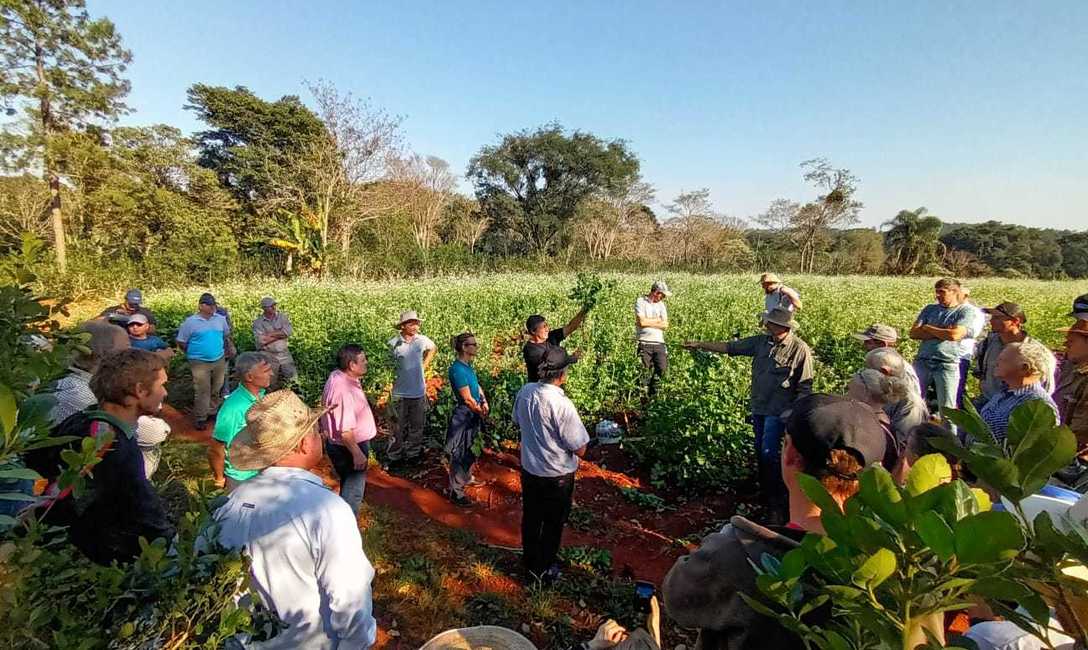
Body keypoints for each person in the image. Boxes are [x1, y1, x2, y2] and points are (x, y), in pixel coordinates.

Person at [662, 394, 887, 650]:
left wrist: (726, 538)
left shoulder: (737, 554)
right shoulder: (891, 567)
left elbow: (676, 597)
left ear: (790, 453)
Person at [216, 390, 377, 649]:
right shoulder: (325, 509)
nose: (321, 435)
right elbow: (350, 598)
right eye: (315, 431)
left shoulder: (229, 502)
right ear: (304, 443)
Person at [30, 349, 175, 564]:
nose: (165, 393)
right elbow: (146, 511)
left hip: (57, 539)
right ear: (140, 390)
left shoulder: (83, 419)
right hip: (99, 554)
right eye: (162, 385)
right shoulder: (115, 445)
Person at [683, 307, 814, 521]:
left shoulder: (800, 349)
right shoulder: (761, 342)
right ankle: (765, 491)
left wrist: (793, 412)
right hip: (759, 407)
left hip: (779, 411)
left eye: (770, 322)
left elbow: (805, 385)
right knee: (760, 451)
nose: (766, 325)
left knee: (769, 453)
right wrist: (700, 344)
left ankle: (777, 503)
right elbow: (730, 347)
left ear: (782, 326)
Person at [513, 346, 590, 583]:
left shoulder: (526, 391)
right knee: (553, 523)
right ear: (562, 374)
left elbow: (517, 420)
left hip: (530, 470)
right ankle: (543, 570)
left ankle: (529, 561)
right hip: (556, 476)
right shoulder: (562, 404)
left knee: (532, 517)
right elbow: (580, 448)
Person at [320, 344, 378, 516]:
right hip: (349, 446)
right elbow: (345, 430)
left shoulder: (337, 376)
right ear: (352, 365)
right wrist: (357, 453)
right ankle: (347, 526)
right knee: (353, 492)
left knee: (348, 484)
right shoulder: (343, 389)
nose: (366, 363)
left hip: (340, 445)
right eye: (363, 360)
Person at [209, 352, 274, 492]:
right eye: (266, 371)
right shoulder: (233, 408)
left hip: (262, 469)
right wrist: (219, 478)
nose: (272, 374)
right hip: (242, 477)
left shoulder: (262, 395)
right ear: (249, 377)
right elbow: (216, 448)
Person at [909, 278, 974, 418]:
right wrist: (943, 331)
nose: (937, 295)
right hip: (923, 361)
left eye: (942, 292)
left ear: (954, 292)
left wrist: (928, 328)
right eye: (936, 292)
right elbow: (913, 333)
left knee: (948, 410)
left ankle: (950, 438)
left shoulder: (965, 311)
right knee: (912, 403)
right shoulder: (929, 309)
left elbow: (955, 335)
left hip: (947, 364)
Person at [978, 340, 1059, 445]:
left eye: (1002, 360)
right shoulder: (1002, 394)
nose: (995, 363)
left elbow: (1041, 445)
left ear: (1024, 367)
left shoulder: (1037, 402)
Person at [975, 302, 1056, 404]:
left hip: (1020, 407)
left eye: (997, 318)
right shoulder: (987, 344)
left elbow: (1046, 386)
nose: (991, 321)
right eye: (992, 317)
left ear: (1015, 321)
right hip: (988, 403)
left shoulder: (1035, 351)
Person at [385, 310, 436, 468]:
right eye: (410, 323)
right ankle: (395, 456)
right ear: (402, 326)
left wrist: (424, 366)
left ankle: (413, 454)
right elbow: (386, 365)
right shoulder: (393, 343)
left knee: (417, 425)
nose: (414, 326)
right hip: (399, 393)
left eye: (416, 323)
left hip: (418, 391)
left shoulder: (422, 340)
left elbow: (433, 348)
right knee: (396, 427)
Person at [176, 292, 231, 430]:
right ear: (201, 306)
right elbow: (181, 341)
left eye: (214, 304)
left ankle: (212, 411)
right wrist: (193, 351)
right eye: (209, 305)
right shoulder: (190, 322)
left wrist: (226, 350)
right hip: (199, 361)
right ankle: (201, 417)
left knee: (217, 387)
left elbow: (225, 336)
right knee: (202, 390)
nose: (213, 307)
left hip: (218, 358)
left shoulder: (220, 319)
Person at [447, 332, 488, 507]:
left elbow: (476, 387)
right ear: (464, 347)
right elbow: (467, 398)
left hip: (474, 412)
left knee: (471, 448)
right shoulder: (456, 369)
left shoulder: (468, 367)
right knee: (460, 450)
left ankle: (466, 477)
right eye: (473, 344)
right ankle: (456, 492)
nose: (476, 347)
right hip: (465, 413)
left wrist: (484, 401)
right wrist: (479, 410)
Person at [863, 348, 930, 445]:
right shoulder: (882, 393)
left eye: (869, 370)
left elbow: (901, 442)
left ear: (884, 372)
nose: (866, 374)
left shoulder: (909, 403)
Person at [846, 368, 908, 470]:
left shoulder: (869, 428)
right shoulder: (884, 423)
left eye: (850, 390)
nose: (846, 396)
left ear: (864, 393)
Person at [523, 304, 589, 383]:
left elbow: (571, 327)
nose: (547, 329)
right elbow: (554, 361)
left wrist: (584, 311)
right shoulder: (530, 349)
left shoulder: (551, 337)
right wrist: (572, 358)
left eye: (546, 325)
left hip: (555, 385)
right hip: (539, 389)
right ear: (533, 331)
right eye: (543, 327)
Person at [852, 323, 922, 395]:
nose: (864, 345)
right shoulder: (888, 362)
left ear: (882, 345)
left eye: (867, 342)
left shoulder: (894, 367)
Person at [1054, 319, 1088, 458]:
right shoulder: (1070, 370)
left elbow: (1079, 434)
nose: (1065, 344)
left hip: (1074, 461)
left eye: (1072, 340)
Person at [634, 281, 671, 398]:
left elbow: (665, 325)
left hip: (659, 343)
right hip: (644, 343)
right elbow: (641, 322)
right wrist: (657, 320)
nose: (663, 297)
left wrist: (649, 321)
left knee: (662, 369)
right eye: (662, 295)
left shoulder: (661, 305)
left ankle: (653, 395)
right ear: (656, 292)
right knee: (644, 372)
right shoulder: (641, 301)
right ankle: (642, 399)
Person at [252, 296, 297, 390]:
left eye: (274, 305)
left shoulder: (282, 317)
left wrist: (269, 335)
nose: (273, 307)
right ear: (264, 308)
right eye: (270, 306)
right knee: (270, 381)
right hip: (268, 355)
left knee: (293, 378)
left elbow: (288, 332)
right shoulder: (258, 322)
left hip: (284, 353)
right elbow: (261, 340)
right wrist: (280, 333)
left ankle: (296, 397)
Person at [956, 287, 987, 405]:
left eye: (957, 294)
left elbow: (973, 332)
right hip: (941, 353)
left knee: (957, 386)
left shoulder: (975, 312)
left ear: (965, 296)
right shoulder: (948, 310)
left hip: (961, 354)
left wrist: (951, 332)